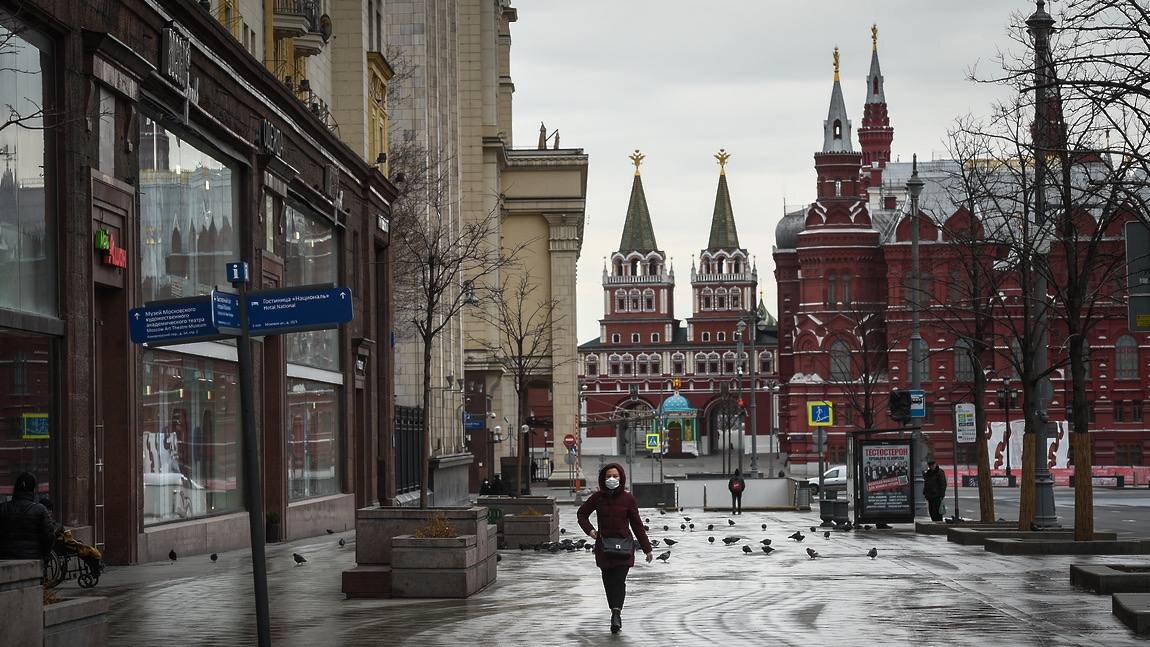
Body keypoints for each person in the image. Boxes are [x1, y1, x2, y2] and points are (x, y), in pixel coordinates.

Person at [577, 463, 653, 635]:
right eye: (608, 476)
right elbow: (582, 514)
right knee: (608, 582)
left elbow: (637, 525)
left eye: (615, 476)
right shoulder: (598, 498)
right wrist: (591, 531)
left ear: (621, 478)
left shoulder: (628, 499)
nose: (612, 479)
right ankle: (614, 610)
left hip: (624, 548)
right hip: (604, 548)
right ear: (603, 479)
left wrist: (647, 548)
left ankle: (616, 614)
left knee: (618, 581)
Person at [0, 472, 56, 560]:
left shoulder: (3, 508)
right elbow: (49, 536)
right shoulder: (40, 510)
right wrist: (45, 556)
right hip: (33, 559)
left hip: (6, 560)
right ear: (33, 490)